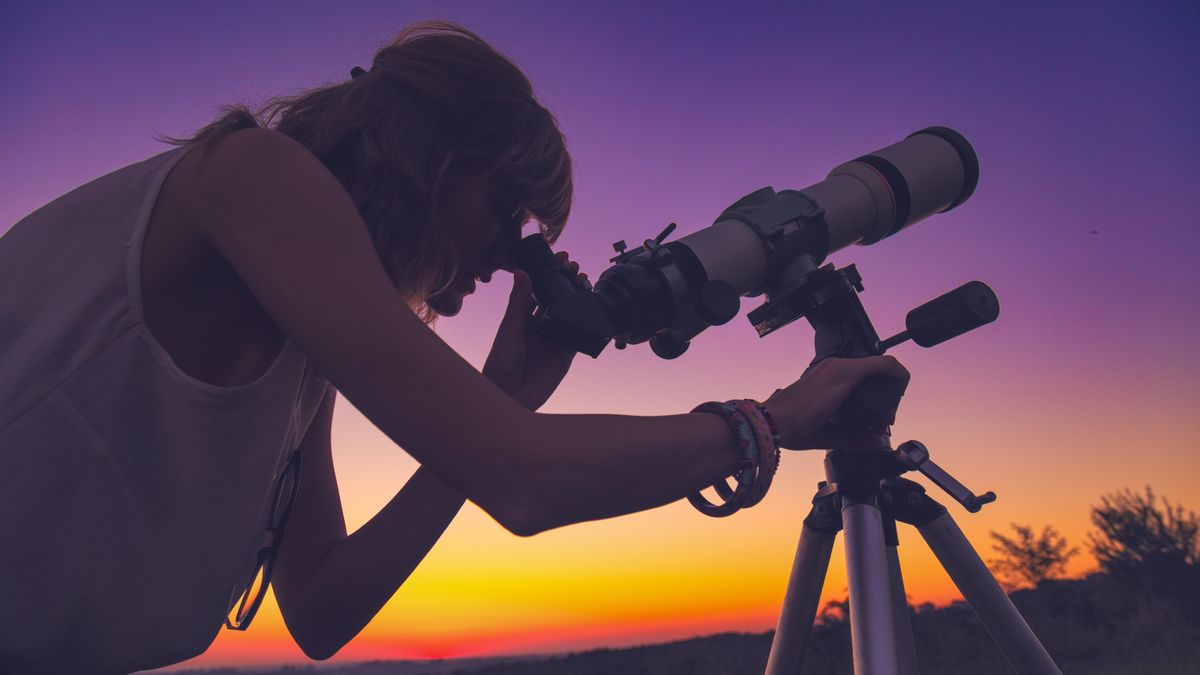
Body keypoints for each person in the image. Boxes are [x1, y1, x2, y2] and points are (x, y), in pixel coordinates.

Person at [0, 20, 909, 674]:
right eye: (509, 213)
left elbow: (321, 606)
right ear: (434, 156)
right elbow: (526, 481)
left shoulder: (298, 357)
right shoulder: (252, 175)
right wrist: (767, 421)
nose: (501, 254)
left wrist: (499, 406)